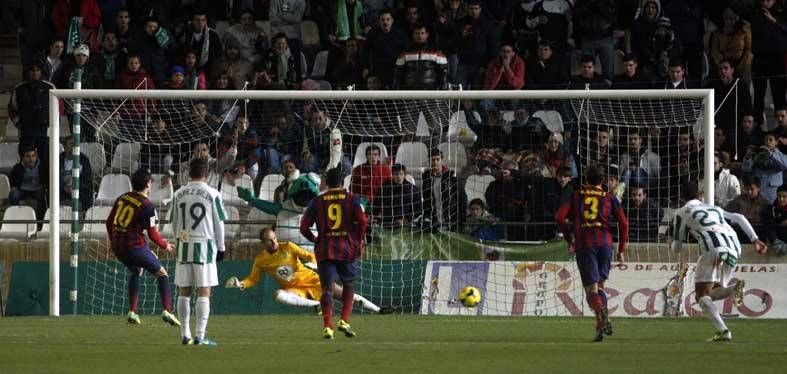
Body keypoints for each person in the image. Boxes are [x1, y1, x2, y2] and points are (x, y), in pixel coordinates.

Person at [670, 181, 767, 341]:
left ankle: (724, 331)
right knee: (713, 291)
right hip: (734, 248)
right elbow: (739, 217)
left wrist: (671, 242)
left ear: (681, 197)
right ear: (700, 195)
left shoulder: (681, 212)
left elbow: (677, 247)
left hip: (713, 248)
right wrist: (755, 239)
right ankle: (734, 288)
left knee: (701, 296)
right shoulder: (714, 208)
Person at [225, 228, 394, 314]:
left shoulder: (288, 247)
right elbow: (253, 279)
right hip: (296, 289)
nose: (274, 243)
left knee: (344, 296)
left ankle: (379, 310)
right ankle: (317, 304)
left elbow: (309, 255)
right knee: (278, 295)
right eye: (269, 241)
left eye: (275, 239)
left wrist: (314, 264)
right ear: (263, 243)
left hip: (312, 279)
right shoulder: (260, 260)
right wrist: (240, 284)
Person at [555, 165, 628, 342]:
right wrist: (621, 250)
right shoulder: (610, 197)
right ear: (602, 181)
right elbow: (624, 223)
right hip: (605, 243)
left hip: (586, 243)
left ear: (586, 179)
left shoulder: (576, 195)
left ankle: (602, 314)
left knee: (591, 291)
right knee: (600, 287)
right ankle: (600, 326)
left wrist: (569, 239)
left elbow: (559, 217)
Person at [299, 167, 368, 339]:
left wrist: (315, 239)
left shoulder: (318, 201)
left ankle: (327, 326)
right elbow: (362, 221)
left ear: (327, 183)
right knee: (349, 285)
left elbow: (303, 227)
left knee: (327, 290)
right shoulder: (352, 199)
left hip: (325, 249)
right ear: (342, 182)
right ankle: (344, 320)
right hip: (347, 248)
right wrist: (358, 241)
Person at [105, 168, 179, 327]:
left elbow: (109, 222)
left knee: (137, 270)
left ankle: (132, 312)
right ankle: (168, 311)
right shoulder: (147, 206)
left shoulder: (122, 197)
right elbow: (153, 234)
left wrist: (113, 242)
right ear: (148, 184)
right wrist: (165, 245)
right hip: (134, 246)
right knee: (162, 273)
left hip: (119, 246)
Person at [171, 158, 227, 346]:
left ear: (189, 173)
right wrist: (221, 247)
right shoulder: (213, 194)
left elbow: (173, 222)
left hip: (183, 244)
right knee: (204, 291)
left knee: (184, 290)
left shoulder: (178, 193)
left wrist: (178, 240)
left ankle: (184, 334)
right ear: (207, 174)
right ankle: (200, 335)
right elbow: (219, 223)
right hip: (205, 246)